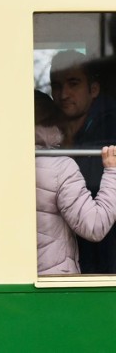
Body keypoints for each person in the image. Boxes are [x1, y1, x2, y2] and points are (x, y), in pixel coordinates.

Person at [34, 90, 116, 274]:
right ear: (54, 123)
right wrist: (112, 171)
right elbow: (94, 225)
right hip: (53, 288)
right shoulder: (60, 167)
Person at [49, 50, 116, 273]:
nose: (64, 94)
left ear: (94, 89)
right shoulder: (54, 132)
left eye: (73, 83)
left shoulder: (110, 127)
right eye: (56, 86)